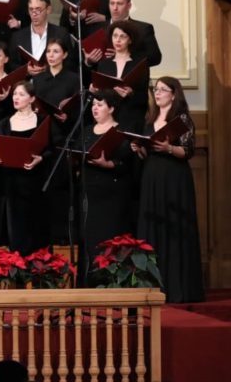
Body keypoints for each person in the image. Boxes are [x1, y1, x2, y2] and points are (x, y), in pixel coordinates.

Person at [134, 76, 204, 303]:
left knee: (175, 227)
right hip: (152, 175)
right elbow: (147, 152)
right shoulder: (150, 118)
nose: (158, 93)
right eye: (156, 89)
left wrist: (169, 148)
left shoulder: (181, 119)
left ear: (174, 94)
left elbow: (188, 151)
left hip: (174, 177)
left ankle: (179, 288)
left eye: (163, 90)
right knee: (153, 226)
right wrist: (139, 148)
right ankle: (153, 285)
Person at [0, 81, 52, 254]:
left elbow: (50, 149)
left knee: (38, 231)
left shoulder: (42, 121)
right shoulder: (4, 123)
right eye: (14, 94)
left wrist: (39, 159)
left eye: (21, 94)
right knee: (17, 234)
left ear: (32, 98)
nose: (16, 98)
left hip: (36, 184)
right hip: (13, 186)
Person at [79, 90, 133, 275]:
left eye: (100, 105)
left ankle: (112, 284)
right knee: (91, 240)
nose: (95, 108)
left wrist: (108, 164)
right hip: (90, 194)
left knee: (111, 240)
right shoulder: (86, 130)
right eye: (93, 104)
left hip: (113, 194)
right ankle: (90, 284)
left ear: (111, 108)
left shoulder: (121, 131)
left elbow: (129, 164)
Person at [31, 37, 80, 244]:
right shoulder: (38, 79)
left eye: (56, 51)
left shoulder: (73, 79)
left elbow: (78, 110)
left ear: (65, 54)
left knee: (60, 189)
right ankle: (43, 235)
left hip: (62, 136)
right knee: (41, 188)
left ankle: (62, 236)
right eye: (48, 51)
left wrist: (67, 115)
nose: (51, 56)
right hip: (42, 137)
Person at [91, 20, 149, 134]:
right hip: (108, 117)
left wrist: (130, 93)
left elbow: (144, 98)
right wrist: (94, 91)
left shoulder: (139, 64)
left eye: (123, 36)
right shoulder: (104, 64)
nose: (118, 40)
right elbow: (101, 95)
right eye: (115, 36)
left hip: (131, 116)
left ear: (130, 40)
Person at [10, 0, 70, 72]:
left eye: (38, 9)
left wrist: (49, 68)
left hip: (54, 81)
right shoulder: (17, 36)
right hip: (27, 82)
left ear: (48, 10)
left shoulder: (61, 33)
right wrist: (26, 70)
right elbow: (10, 64)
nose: (34, 14)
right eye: (31, 9)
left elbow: (71, 62)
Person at [107, 0, 162, 67]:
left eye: (119, 4)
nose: (115, 8)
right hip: (103, 76)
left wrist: (124, 55)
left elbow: (155, 58)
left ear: (129, 6)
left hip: (133, 76)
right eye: (112, 3)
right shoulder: (97, 27)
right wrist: (88, 61)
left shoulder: (143, 28)